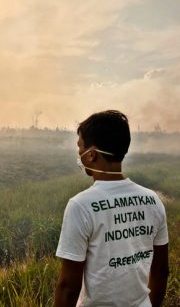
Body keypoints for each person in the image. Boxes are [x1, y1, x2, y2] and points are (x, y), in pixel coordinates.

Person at [55, 110, 169, 307]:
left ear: (91, 155)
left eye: (79, 147)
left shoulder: (80, 206)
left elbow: (68, 287)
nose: (78, 154)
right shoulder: (153, 200)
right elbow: (160, 271)